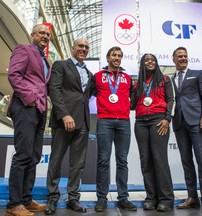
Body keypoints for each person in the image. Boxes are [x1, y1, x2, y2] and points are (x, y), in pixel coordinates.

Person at [6, 24, 51, 216]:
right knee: (23, 155)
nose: (45, 36)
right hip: (25, 107)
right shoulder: (24, 49)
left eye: (47, 34)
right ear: (32, 35)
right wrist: (30, 98)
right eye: (41, 33)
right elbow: (13, 75)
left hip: (40, 110)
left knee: (33, 157)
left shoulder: (46, 60)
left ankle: (26, 199)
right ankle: (14, 205)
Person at [45, 38, 94, 215]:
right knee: (56, 159)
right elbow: (54, 90)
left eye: (87, 47)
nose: (83, 49)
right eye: (80, 46)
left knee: (78, 163)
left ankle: (73, 198)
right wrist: (65, 115)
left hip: (83, 123)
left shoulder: (89, 74)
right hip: (63, 121)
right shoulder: (60, 65)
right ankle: (52, 197)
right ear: (73, 47)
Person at [92, 46, 137, 212]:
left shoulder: (127, 78)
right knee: (103, 160)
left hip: (124, 122)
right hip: (105, 121)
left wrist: (126, 106)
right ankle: (102, 198)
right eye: (114, 55)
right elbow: (88, 94)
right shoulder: (98, 76)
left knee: (122, 161)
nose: (117, 58)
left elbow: (133, 95)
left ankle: (123, 197)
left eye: (119, 55)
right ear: (108, 57)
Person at [130, 54, 175, 212]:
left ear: (156, 63)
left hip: (158, 121)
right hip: (141, 122)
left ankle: (166, 198)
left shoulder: (164, 80)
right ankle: (151, 197)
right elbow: (132, 105)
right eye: (146, 60)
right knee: (146, 160)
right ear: (142, 64)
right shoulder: (137, 84)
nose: (150, 62)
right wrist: (130, 92)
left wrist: (167, 119)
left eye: (152, 60)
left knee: (159, 159)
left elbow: (171, 100)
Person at [171, 47, 202, 214]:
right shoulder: (172, 78)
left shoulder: (198, 73)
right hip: (179, 123)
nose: (183, 59)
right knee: (186, 161)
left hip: (197, 121)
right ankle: (192, 197)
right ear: (173, 59)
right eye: (179, 56)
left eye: (185, 56)